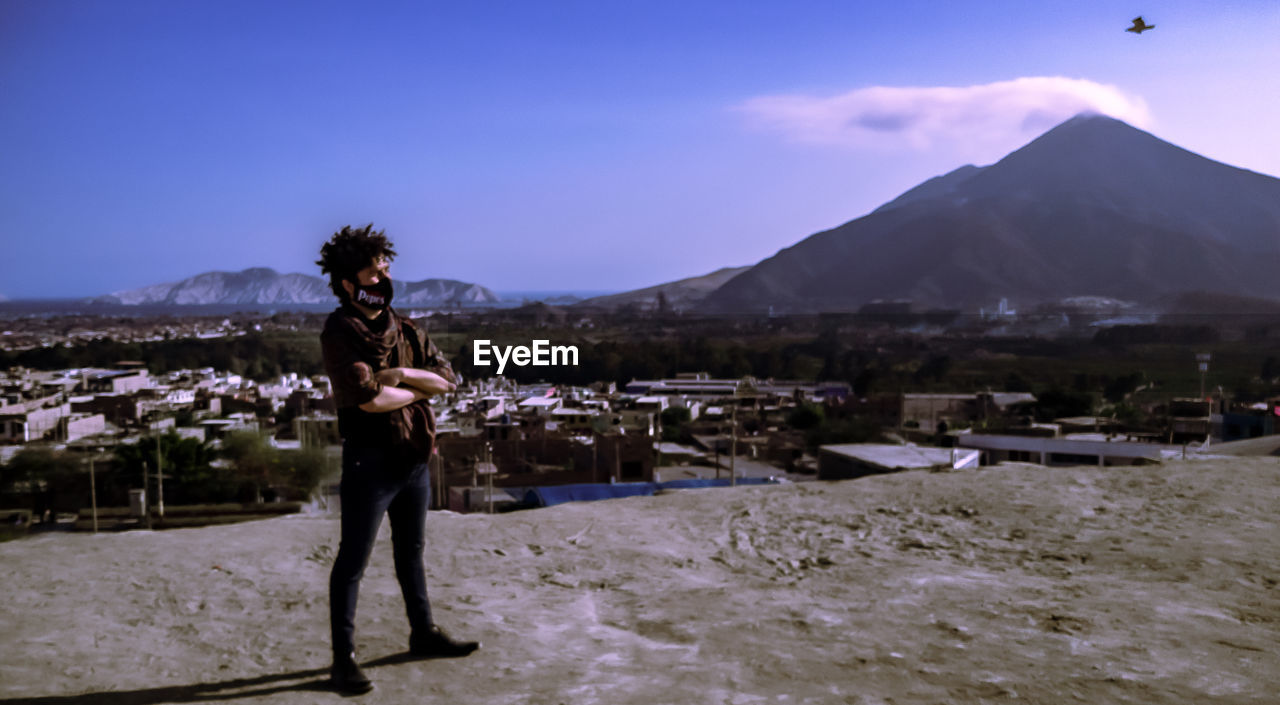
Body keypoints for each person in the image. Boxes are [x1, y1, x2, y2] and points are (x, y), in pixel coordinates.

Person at [316, 224, 479, 694]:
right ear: (349, 283)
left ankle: (422, 632)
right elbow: (367, 401)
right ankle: (342, 660)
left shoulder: (405, 329)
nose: (383, 277)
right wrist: (415, 389)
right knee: (353, 560)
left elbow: (447, 382)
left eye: (386, 267)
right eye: (373, 270)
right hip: (370, 461)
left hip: (413, 457)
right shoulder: (341, 332)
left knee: (411, 552)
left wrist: (402, 374)